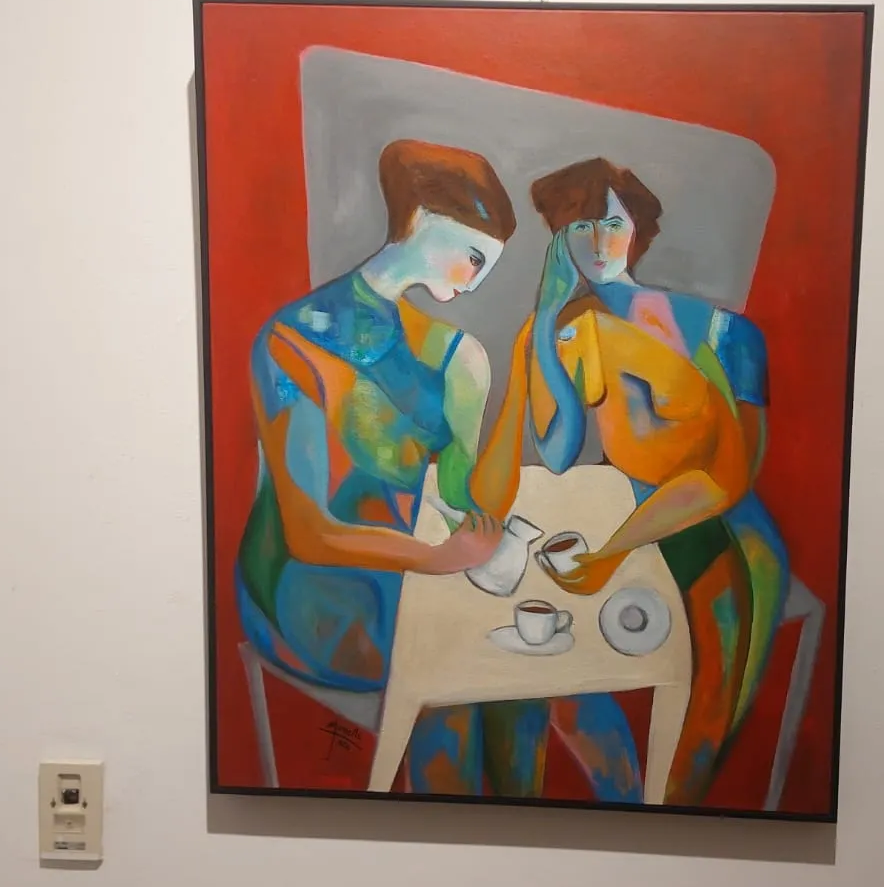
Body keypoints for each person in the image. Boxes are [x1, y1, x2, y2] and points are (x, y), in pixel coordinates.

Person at [476, 158, 790, 805]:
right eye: (579, 227)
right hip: (621, 505)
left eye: (612, 224)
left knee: (709, 671)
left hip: (719, 517)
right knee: (525, 658)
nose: (597, 243)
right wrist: (545, 322)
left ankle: (673, 810)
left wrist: (618, 548)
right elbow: (558, 452)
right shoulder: (568, 330)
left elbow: (733, 477)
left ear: (639, 230)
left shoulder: (727, 334)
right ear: (559, 240)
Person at [235, 139, 516, 791]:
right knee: (465, 680)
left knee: (523, 680)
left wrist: (522, 379)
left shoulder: (458, 356)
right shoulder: (293, 339)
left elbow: (459, 497)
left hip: (409, 567)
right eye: (473, 257)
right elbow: (309, 533)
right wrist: (439, 559)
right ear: (422, 220)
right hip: (307, 590)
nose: (475, 282)